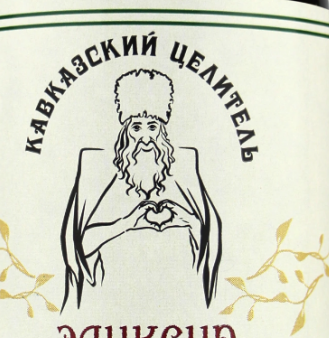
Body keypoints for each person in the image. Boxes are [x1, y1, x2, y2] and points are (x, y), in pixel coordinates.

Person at [60, 69, 222, 310]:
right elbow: (81, 245)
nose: (145, 138)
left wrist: (187, 219)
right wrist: (127, 223)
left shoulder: (184, 174)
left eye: (152, 127)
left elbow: (207, 242)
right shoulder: (103, 177)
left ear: (162, 131)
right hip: (111, 302)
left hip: (178, 300)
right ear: (125, 132)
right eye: (136, 128)